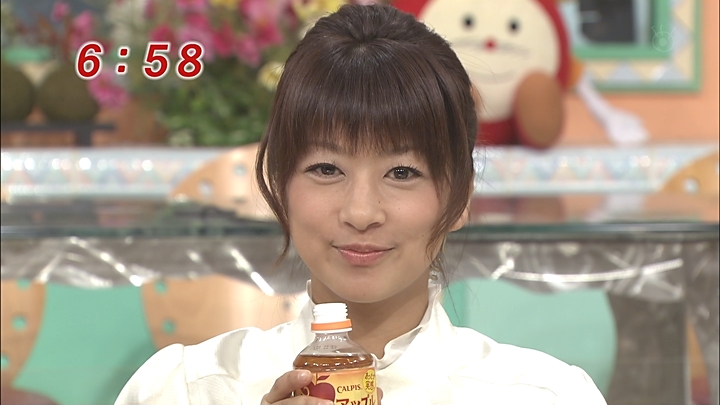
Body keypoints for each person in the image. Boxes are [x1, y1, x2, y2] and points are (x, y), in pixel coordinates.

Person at [115, 4, 608, 404]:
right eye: (327, 169)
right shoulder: (186, 389)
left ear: (460, 197)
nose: (361, 212)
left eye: (402, 173)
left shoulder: (547, 395)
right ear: (279, 185)